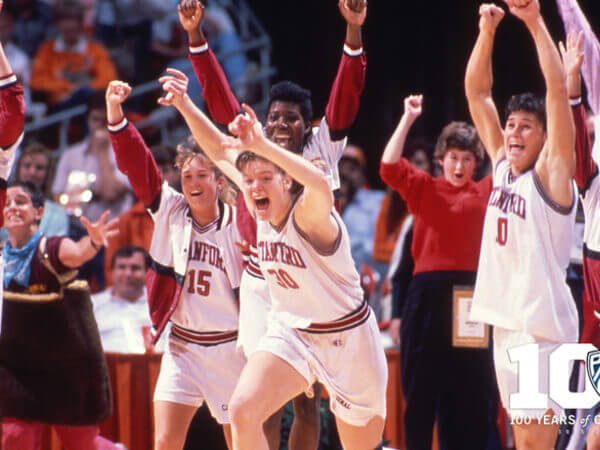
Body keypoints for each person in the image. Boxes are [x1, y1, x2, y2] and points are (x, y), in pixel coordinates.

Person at [158, 65, 388, 450]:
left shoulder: (311, 211)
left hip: (346, 338)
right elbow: (217, 147)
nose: (254, 188)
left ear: (285, 181)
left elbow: (317, 182)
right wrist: (183, 104)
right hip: (294, 332)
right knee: (244, 409)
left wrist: (263, 146)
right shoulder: (254, 194)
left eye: (265, 179)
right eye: (249, 181)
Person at [105, 79, 245, 450]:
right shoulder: (170, 210)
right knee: (165, 441)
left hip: (230, 349)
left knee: (241, 443)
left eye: (202, 175)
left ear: (219, 180)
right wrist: (116, 117)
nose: (193, 183)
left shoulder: (239, 222)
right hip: (182, 349)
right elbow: (140, 166)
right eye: (186, 177)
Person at [465, 1, 578, 448]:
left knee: (534, 444)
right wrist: (487, 31)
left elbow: (554, 89)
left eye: (525, 126)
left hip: (543, 330)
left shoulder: (552, 173)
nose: (512, 132)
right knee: (522, 439)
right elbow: (477, 95)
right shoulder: (501, 167)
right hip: (508, 325)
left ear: (545, 137)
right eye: (510, 124)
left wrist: (533, 22)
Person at [380, 94, 497, 449]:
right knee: (420, 396)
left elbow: (508, 161)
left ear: (476, 162)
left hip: (472, 299)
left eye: (466, 159)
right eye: (452, 158)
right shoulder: (424, 188)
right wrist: (407, 118)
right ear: (440, 160)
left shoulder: (488, 190)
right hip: (427, 301)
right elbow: (388, 165)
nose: (459, 166)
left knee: (473, 396)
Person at [53, 92, 132, 222]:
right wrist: (90, 193)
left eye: (105, 121)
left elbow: (110, 193)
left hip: (116, 229)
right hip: (79, 230)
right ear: (88, 120)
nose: (100, 126)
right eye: (95, 120)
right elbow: (58, 197)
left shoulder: (126, 152)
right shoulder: (70, 155)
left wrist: (103, 153)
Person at [30, 0, 116, 109]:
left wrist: (82, 89)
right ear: (56, 24)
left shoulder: (95, 49)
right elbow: (37, 81)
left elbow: (109, 79)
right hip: (58, 107)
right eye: (64, 20)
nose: (69, 25)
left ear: (80, 22)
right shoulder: (47, 50)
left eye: (72, 20)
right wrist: (68, 87)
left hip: (90, 105)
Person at [92, 245, 151, 352]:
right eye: (122, 267)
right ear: (111, 272)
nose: (127, 274)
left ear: (148, 273)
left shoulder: (161, 306)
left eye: (135, 268)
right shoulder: (92, 305)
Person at [11, 142, 70, 237]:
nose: (32, 172)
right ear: (18, 169)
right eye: (27, 165)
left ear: (48, 173)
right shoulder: (5, 206)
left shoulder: (57, 213)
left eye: (39, 168)